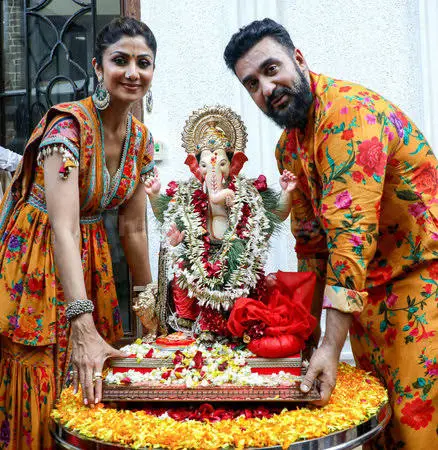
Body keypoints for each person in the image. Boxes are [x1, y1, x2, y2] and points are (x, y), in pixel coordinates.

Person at [224, 18, 438, 450]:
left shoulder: (348, 117)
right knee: (378, 425)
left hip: (420, 283)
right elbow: (311, 246)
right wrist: (303, 338)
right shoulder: (289, 147)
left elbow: (349, 239)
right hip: (362, 298)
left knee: (417, 429)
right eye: (252, 84)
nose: (267, 88)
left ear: (298, 59)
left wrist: (329, 345)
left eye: (271, 69)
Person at [0, 17, 156, 449]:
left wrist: (150, 309)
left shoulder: (140, 140)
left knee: (90, 378)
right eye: (120, 60)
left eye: (143, 63)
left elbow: (133, 227)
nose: (132, 72)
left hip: (91, 257)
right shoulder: (67, 127)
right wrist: (82, 321)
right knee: (44, 372)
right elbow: (63, 226)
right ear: (97, 67)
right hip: (40, 253)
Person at [143, 105, 303, 345]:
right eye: (205, 165)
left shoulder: (247, 194)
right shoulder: (187, 194)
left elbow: (277, 214)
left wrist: (286, 192)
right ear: (195, 167)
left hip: (237, 255)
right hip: (200, 258)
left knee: (247, 280)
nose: (213, 171)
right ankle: (190, 327)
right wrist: (154, 196)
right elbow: (165, 215)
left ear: (234, 164)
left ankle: (240, 327)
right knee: (182, 275)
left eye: (221, 164)